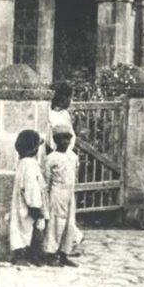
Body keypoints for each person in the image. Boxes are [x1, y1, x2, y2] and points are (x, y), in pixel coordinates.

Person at [46, 86, 83, 253]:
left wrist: (70, 148)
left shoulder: (65, 114)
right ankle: (53, 249)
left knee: (69, 214)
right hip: (58, 159)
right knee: (56, 217)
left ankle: (67, 246)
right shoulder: (50, 115)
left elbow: (71, 135)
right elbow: (50, 139)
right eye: (68, 97)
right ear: (60, 98)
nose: (70, 101)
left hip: (68, 159)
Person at [43, 124, 79, 267]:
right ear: (56, 140)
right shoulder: (51, 158)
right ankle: (51, 254)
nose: (66, 141)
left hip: (70, 193)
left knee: (69, 224)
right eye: (62, 139)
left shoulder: (73, 156)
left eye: (68, 138)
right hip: (57, 193)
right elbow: (47, 179)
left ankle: (64, 253)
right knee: (56, 224)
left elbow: (74, 174)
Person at [9, 130, 47, 266]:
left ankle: (23, 254)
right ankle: (25, 256)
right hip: (29, 203)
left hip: (22, 202)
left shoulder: (22, 163)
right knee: (29, 228)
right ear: (34, 148)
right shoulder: (30, 164)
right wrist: (35, 206)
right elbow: (31, 187)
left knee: (20, 227)